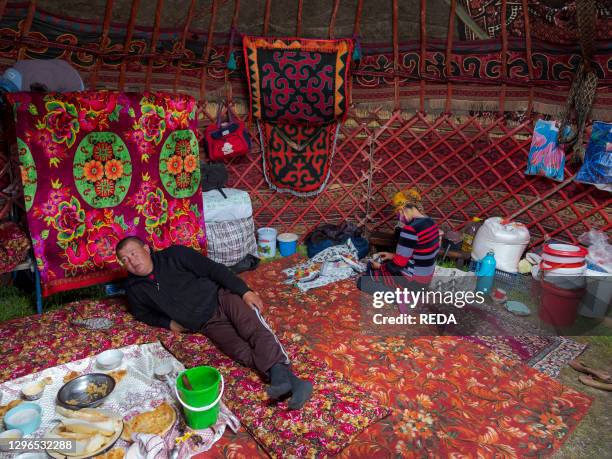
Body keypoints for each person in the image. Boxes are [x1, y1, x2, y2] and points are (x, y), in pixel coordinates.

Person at [115, 236, 312, 409]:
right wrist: (168, 323)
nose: (132, 261)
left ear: (146, 249)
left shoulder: (175, 255)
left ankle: (281, 379)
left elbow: (214, 270)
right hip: (206, 323)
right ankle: (292, 382)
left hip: (222, 297)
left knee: (252, 328)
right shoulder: (134, 288)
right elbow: (142, 314)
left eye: (133, 253)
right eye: (125, 259)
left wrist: (244, 292)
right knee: (239, 350)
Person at [357, 189, 440, 293]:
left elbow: (398, 265)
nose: (399, 216)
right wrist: (391, 255)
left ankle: (400, 297)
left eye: (398, 212)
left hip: (412, 284)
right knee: (387, 262)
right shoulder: (430, 222)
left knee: (363, 281)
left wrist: (380, 267)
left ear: (403, 209)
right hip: (425, 280)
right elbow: (420, 254)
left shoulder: (410, 229)